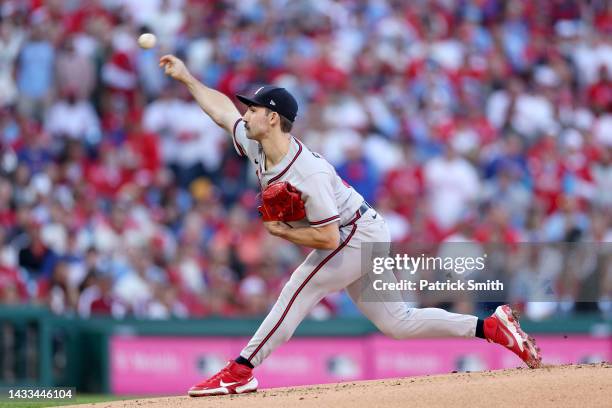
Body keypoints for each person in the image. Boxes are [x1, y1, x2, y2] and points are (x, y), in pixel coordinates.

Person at [159, 55, 542, 397]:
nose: (246, 114)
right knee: (398, 323)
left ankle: (241, 369)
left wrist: (283, 233)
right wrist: (187, 78)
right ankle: (492, 327)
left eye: (253, 109)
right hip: (363, 229)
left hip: (353, 234)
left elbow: (326, 238)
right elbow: (221, 112)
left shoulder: (307, 173)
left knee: (298, 289)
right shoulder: (258, 143)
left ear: (272, 118)